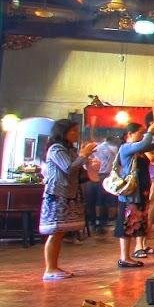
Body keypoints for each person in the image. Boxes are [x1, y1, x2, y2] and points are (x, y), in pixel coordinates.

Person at [38, 118, 96, 281]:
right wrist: (84, 155)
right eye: (73, 131)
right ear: (63, 132)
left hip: (69, 193)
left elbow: (77, 172)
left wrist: (91, 168)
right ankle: (50, 268)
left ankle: (54, 266)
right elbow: (69, 168)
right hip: (57, 194)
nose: (76, 134)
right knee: (55, 231)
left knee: (60, 232)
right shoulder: (56, 149)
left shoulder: (70, 149)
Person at [113, 117, 154, 269]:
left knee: (136, 224)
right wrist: (150, 132)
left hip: (141, 190)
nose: (142, 135)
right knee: (126, 224)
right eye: (140, 133)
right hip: (130, 193)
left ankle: (129, 255)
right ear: (129, 134)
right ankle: (124, 257)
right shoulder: (126, 147)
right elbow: (146, 143)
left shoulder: (139, 149)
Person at [83, 135, 117, 237]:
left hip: (99, 176)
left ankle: (98, 223)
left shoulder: (108, 149)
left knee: (98, 201)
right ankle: (98, 223)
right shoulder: (109, 149)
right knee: (98, 201)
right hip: (94, 176)